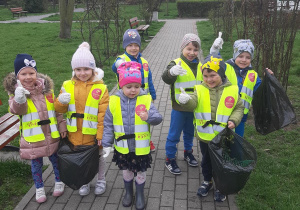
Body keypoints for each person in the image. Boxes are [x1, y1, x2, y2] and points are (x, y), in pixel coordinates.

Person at [177, 56, 244, 202]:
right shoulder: (199, 89)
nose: (209, 79)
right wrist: (186, 101)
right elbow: (193, 103)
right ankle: (207, 181)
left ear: (221, 74)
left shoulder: (232, 89)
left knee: (221, 162)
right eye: (205, 76)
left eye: (213, 75)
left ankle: (221, 186)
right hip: (205, 136)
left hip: (224, 136)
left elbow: (239, 107)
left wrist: (234, 120)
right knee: (206, 160)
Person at [3, 54, 67, 203]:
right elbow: (16, 110)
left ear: (36, 73)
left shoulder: (47, 91)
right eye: (23, 74)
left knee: (56, 160)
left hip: (51, 134)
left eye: (31, 73)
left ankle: (59, 181)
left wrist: (62, 125)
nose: (28, 77)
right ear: (18, 77)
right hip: (33, 137)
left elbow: (56, 111)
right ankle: (39, 188)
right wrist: (19, 99)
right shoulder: (16, 94)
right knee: (36, 165)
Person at [102, 61, 162, 210]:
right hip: (123, 148)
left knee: (141, 171)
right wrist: (107, 144)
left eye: (137, 86)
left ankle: (140, 194)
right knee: (127, 170)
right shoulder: (114, 101)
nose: (133, 90)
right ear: (121, 86)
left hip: (140, 148)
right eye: (129, 87)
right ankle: (128, 193)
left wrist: (148, 116)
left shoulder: (146, 99)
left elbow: (158, 118)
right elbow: (108, 124)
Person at [54, 42, 109, 196]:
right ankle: (84, 181)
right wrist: (61, 101)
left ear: (93, 69)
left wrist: (101, 134)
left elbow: (103, 114)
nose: (82, 73)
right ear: (74, 69)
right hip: (75, 132)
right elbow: (59, 109)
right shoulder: (67, 85)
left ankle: (101, 179)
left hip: (93, 134)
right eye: (78, 69)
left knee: (98, 158)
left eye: (86, 69)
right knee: (81, 159)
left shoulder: (100, 88)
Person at [210, 38, 273, 137]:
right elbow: (214, 63)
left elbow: (261, 92)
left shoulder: (253, 75)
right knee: (221, 139)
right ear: (235, 56)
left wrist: (268, 79)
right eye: (240, 56)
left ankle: (235, 152)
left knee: (237, 140)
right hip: (222, 112)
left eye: (248, 57)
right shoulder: (226, 68)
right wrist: (214, 51)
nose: (244, 60)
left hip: (241, 116)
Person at [161, 33, 202, 175]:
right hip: (179, 107)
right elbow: (165, 77)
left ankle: (188, 152)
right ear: (182, 48)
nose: (192, 53)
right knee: (174, 134)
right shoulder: (176, 63)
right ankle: (170, 158)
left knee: (190, 132)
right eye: (188, 49)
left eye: (195, 50)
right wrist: (171, 73)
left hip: (194, 106)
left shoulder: (201, 66)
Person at [112, 29, 156, 152]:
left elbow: (149, 79)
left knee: (144, 120)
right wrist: (119, 64)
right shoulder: (121, 60)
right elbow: (114, 67)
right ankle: (128, 142)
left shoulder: (144, 62)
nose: (133, 48)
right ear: (125, 46)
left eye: (136, 45)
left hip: (143, 97)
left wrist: (152, 94)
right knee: (129, 121)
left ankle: (147, 140)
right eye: (130, 45)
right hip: (127, 97)